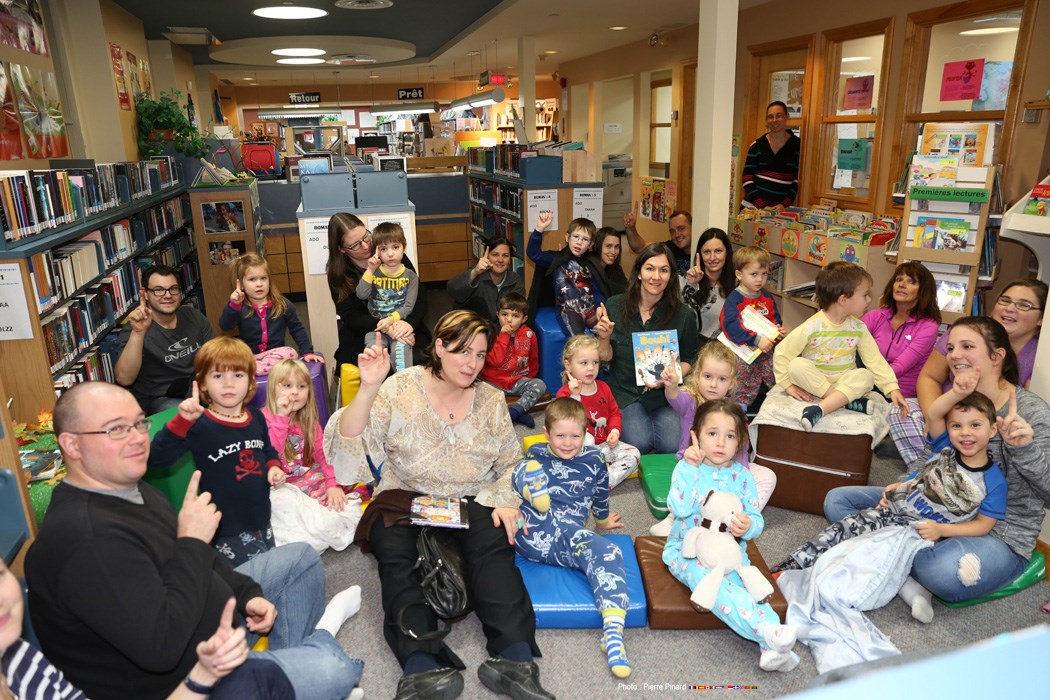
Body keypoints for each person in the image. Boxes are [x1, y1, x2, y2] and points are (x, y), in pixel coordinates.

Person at [25, 381, 363, 700]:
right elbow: (162, 647)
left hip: (206, 620)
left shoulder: (127, 487)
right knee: (335, 671)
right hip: (186, 677)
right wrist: (191, 542)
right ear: (71, 444)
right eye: (116, 429)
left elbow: (198, 561)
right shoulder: (86, 539)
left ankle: (287, 671)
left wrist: (245, 595)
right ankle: (317, 645)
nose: (138, 438)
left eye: (139, 424)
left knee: (301, 558)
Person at [326, 310, 554, 700]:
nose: (472, 364)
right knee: (395, 556)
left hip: (472, 494)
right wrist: (367, 389)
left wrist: (506, 500)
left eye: (480, 355)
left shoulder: (491, 399)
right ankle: (420, 667)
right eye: (463, 351)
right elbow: (349, 456)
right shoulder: (399, 388)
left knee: (495, 548)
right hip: (407, 493)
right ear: (439, 347)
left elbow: (511, 463)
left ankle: (515, 661)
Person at [824, 316, 1050, 603]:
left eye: (967, 346)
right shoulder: (958, 401)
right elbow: (930, 457)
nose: (954, 355)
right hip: (931, 506)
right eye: (952, 347)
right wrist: (904, 486)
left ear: (997, 356)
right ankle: (900, 553)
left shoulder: (1032, 413)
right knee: (838, 501)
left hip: (996, 531)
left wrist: (1024, 448)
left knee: (940, 572)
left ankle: (893, 552)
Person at [775, 389, 1005, 623]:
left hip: (922, 535)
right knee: (843, 525)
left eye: (975, 425)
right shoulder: (944, 445)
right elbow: (935, 413)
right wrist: (898, 487)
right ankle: (790, 569)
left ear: (993, 429)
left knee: (871, 554)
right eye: (956, 426)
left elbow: (983, 525)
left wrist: (942, 530)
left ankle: (900, 585)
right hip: (895, 510)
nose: (965, 433)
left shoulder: (994, 482)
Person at [1, 556, 294, 699]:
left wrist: (205, 672)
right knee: (331, 669)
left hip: (205, 667)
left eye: (0, 574)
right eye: (116, 431)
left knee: (262, 675)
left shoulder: (20, 659)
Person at [662, 400, 799, 672]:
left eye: (730, 436)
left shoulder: (743, 476)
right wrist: (689, 469)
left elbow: (756, 520)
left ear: (740, 443)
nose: (720, 443)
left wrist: (748, 526)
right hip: (685, 550)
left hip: (732, 551)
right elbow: (678, 508)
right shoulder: (687, 468)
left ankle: (772, 648)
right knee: (713, 584)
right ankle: (769, 633)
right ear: (696, 434)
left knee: (753, 589)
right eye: (712, 433)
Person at [513, 397, 631, 678]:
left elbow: (600, 496)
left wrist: (602, 522)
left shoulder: (594, 460)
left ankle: (613, 635)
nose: (567, 442)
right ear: (546, 434)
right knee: (517, 471)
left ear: (585, 434)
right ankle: (535, 492)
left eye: (575, 436)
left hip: (566, 539)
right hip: (531, 532)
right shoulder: (536, 455)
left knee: (610, 553)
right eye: (560, 436)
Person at [150, 337, 282, 566]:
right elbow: (157, 458)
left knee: (269, 569)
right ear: (202, 383)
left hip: (261, 516)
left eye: (238, 375)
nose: (228, 384)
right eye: (218, 376)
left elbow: (268, 450)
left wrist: (273, 467)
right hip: (226, 526)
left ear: (251, 382)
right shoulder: (199, 424)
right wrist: (181, 422)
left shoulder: (256, 417)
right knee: (253, 580)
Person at [894, 280, 1047, 465]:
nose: (1010, 308)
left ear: (1042, 318)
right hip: (949, 410)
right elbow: (929, 377)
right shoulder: (962, 331)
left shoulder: (1039, 358)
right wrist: (935, 419)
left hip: (990, 430)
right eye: (1005, 300)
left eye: (1024, 304)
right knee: (900, 411)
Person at [652, 342, 778, 537]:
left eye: (721, 379)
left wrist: (740, 475)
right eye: (708, 376)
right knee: (698, 483)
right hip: (697, 463)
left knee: (768, 476)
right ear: (697, 376)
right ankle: (676, 519)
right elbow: (675, 397)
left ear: (731, 384)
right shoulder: (691, 402)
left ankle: (739, 519)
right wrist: (672, 386)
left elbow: (741, 448)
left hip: (728, 467)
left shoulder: (734, 411)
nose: (713, 384)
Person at [772, 261, 907, 430]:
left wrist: (892, 388)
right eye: (865, 295)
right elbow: (782, 352)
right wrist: (788, 385)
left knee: (865, 375)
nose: (869, 299)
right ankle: (842, 401)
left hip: (845, 380)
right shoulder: (812, 326)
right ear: (844, 299)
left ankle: (820, 408)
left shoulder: (858, 328)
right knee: (796, 365)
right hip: (817, 381)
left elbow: (875, 361)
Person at [595, 243, 700, 454]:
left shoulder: (684, 315)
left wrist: (673, 376)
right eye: (650, 268)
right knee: (639, 443)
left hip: (665, 396)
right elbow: (604, 358)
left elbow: (691, 358)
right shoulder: (615, 305)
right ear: (639, 273)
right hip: (625, 391)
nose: (656, 276)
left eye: (664, 270)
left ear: (671, 276)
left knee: (671, 445)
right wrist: (604, 338)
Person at [263, 358, 358, 553]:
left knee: (342, 499)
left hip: (307, 478)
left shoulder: (308, 420)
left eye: (301, 386)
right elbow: (271, 452)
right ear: (273, 388)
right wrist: (281, 417)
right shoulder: (262, 419)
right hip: (279, 486)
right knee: (280, 507)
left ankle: (316, 526)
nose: (295, 392)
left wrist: (332, 485)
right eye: (287, 386)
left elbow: (323, 456)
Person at [326, 212, 429, 372]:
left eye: (366, 237)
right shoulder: (338, 273)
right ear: (342, 249)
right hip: (365, 329)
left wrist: (408, 324)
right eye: (355, 245)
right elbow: (350, 316)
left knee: (417, 357)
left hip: (403, 320)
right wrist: (386, 326)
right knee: (371, 362)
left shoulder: (390, 254)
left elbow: (419, 297)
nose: (366, 246)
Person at [115, 263, 215, 413]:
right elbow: (124, 379)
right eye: (159, 290)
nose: (168, 295)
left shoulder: (194, 317)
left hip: (198, 389)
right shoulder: (134, 329)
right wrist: (138, 333)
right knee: (185, 413)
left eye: (173, 289)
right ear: (145, 294)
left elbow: (216, 358)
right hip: (159, 399)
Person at [861, 262, 940, 448]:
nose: (902, 284)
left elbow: (900, 367)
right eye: (898, 279)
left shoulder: (928, 326)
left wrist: (862, 380)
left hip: (898, 392)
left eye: (911, 281)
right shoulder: (876, 315)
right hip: (870, 383)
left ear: (923, 291)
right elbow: (852, 345)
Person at [556, 334, 640, 488]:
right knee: (587, 439)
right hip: (578, 449)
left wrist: (614, 431)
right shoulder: (565, 393)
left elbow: (614, 413)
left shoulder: (603, 387)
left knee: (634, 454)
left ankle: (601, 483)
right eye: (584, 363)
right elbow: (569, 425)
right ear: (568, 366)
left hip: (603, 447)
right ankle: (587, 473)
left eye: (595, 362)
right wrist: (575, 395)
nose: (590, 368)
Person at [220, 253, 322, 362]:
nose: (259, 284)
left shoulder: (282, 304)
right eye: (252, 279)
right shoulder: (238, 307)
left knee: (290, 352)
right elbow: (225, 326)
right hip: (250, 356)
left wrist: (307, 352)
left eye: (263, 278)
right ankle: (259, 367)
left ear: (269, 281)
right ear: (241, 284)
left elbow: (297, 330)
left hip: (276, 356)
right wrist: (234, 305)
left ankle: (262, 368)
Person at [719, 246, 783, 409]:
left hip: (765, 348)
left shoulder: (767, 297)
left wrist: (777, 330)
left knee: (778, 369)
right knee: (744, 374)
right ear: (739, 274)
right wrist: (755, 339)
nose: (760, 279)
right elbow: (730, 326)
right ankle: (739, 406)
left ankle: (775, 400)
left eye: (764, 274)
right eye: (753, 274)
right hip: (743, 350)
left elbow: (775, 318)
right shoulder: (735, 299)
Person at [526, 213, 610, 335]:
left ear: (590, 245)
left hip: (590, 308)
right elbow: (533, 254)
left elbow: (597, 290)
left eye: (585, 239)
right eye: (576, 236)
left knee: (605, 332)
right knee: (578, 339)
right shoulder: (555, 259)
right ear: (567, 237)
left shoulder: (591, 263)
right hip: (569, 310)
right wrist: (539, 229)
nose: (579, 242)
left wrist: (600, 306)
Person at [356, 221, 420, 372]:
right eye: (384, 249)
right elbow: (361, 294)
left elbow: (408, 306)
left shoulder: (410, 277)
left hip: (398, 326)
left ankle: (403, 389)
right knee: (374, 357)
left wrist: (391, 321)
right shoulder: (374, 272)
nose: (390, 254)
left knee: (401, 356)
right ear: (377, 252)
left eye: (395, 247)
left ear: (404, 247)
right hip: (376, 329)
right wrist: (370, 271)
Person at [481, 291, 546, 428]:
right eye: (505, 314)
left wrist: (529, 377)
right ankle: (520, 413)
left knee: (540, 385)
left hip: (517, 381)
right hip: (494, 382)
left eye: (515, 316)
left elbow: (533, 359)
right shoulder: (490, 335)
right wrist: (504, 336)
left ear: (523, 319)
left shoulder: (529, 335)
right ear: (498, 314)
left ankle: (514, 412)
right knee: (477, 392)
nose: (509, 320)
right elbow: (496, 361)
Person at [447, 238, 525, 325]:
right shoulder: (476, 274)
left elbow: (518, 311)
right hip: (471, 328)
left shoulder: (515, 280)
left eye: (505, 255)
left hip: (502, 330)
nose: (500, 260)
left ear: (510, 259)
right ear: (487, 256)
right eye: (495, 255)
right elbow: (452, 289)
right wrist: (475, 272)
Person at [741, 101, 801, 211]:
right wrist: (763, 206)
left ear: (787, 116)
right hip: (752, 209)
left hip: (780, 212)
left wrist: (784, 204)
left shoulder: (798, 146)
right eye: (770, 117)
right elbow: (746, 178)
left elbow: (797, 180)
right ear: (767, 120)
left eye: (779, 116)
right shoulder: (757, 145)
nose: (774, 120)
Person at [683, 228, 736, 344]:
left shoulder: (738, 285)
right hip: (693, 349)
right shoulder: (687, 282)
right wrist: (692, 284)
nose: (712, 258)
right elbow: (682, 320)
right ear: (700, 255)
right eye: (707, 252)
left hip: (726, 351)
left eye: (718, 251)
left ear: (727, 253)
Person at [623, 206, 692, 276]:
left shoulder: (701, 249)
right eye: (672, 231)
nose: (677, 235)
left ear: (693, 227)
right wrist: (630, 227)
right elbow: (640, 247)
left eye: (681, 228)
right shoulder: (670, 248)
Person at [594, 226, 629, 296]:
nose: (613, 252)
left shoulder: (616, 268)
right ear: (598, 246)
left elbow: (627, 291)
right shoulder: (589, 268)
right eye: (608, 246)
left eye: (616, 247)